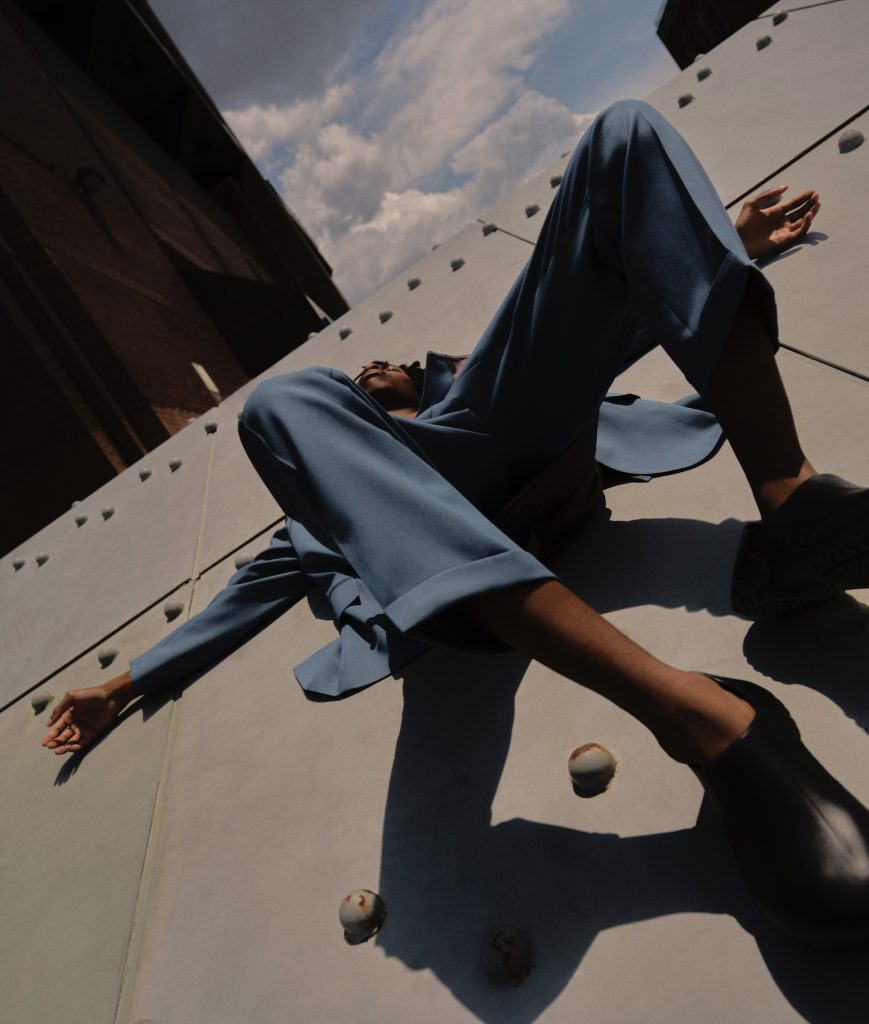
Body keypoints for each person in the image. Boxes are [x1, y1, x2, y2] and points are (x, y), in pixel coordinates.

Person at [42, 101, 869, 948]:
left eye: (382, 367)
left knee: (623, 136)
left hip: (524, 449)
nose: (367, 367)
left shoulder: (470, 386)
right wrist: (119, 687)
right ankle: (699, 718)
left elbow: (601, 322)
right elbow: (245, 594)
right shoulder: (337, 480)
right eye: (357, 382)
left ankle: (792, 511)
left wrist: (722, 243)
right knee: (280, 400)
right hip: (438, 543)